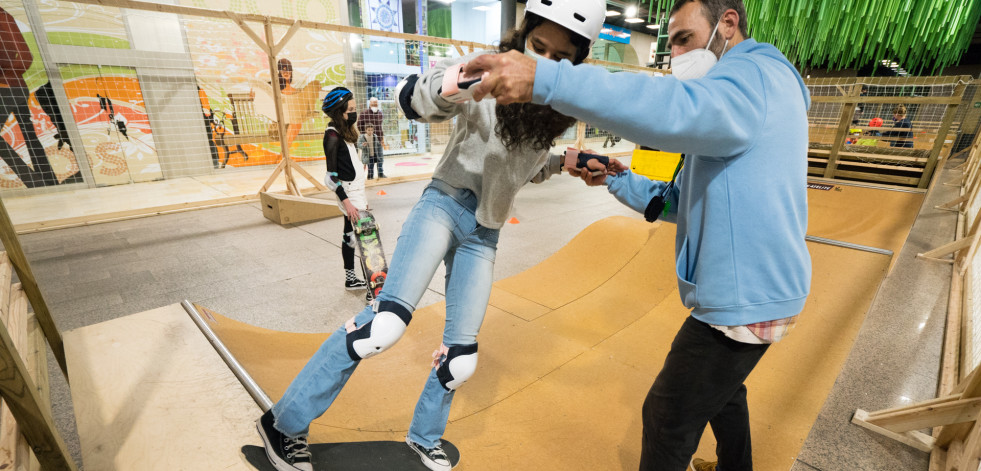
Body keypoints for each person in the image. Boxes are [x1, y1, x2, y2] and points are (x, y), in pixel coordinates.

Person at [254, 1, 606, 470]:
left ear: (576, 62)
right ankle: (284, 422)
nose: (541, 63)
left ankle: (424, 436)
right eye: (536, 46)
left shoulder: (553, 108)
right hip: (443, 205)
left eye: (558, 58)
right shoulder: (490, 71)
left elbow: (520, 169)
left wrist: (566, 162)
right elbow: (416, 98)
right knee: (384, 327)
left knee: (461, 358)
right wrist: (455, 82)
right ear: (523, 35)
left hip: (486, 233)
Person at [465, 0, 812, 470]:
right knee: (724, 394)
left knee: (667, 418)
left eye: (685, 39)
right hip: (761, 289)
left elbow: (671, 110)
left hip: (744, 296)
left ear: (728, 23)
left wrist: (549, 80)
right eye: (671, 44)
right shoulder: (751, 97)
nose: (677, 54)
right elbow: (679, 200)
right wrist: (615, 177)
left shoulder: (751, 80)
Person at [0, 5, 57, 188]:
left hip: (8, 88)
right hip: (15, 87)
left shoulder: (2, 17)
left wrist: (4, 77)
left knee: (30, 135)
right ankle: (48, 183)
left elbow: (25, 57)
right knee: (30, 135)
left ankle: (35, 182)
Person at [320, 87, 368, 291]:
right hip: (348, 194)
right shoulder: (332, 136)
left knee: (350, 236)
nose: (354, 113)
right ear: (339, 112)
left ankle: (351, 279)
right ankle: (373, 288)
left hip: (356, 191)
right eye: (350, 110)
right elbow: (331, 177)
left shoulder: (342, 132)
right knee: (367, 238)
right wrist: (347, 203)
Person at [358, 96, 386, 178]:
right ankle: (370, 175)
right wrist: (365, 135)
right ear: (369, 103)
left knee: (380, 157)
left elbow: (380, 127)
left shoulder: (380, 114)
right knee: (370, 158)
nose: (374, 104)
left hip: (378, 140)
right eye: (373, 103)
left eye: (376, 103)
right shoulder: (364, 113)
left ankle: (381, 173)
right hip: (368, 140)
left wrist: (382, 138)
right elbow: (359, 125)